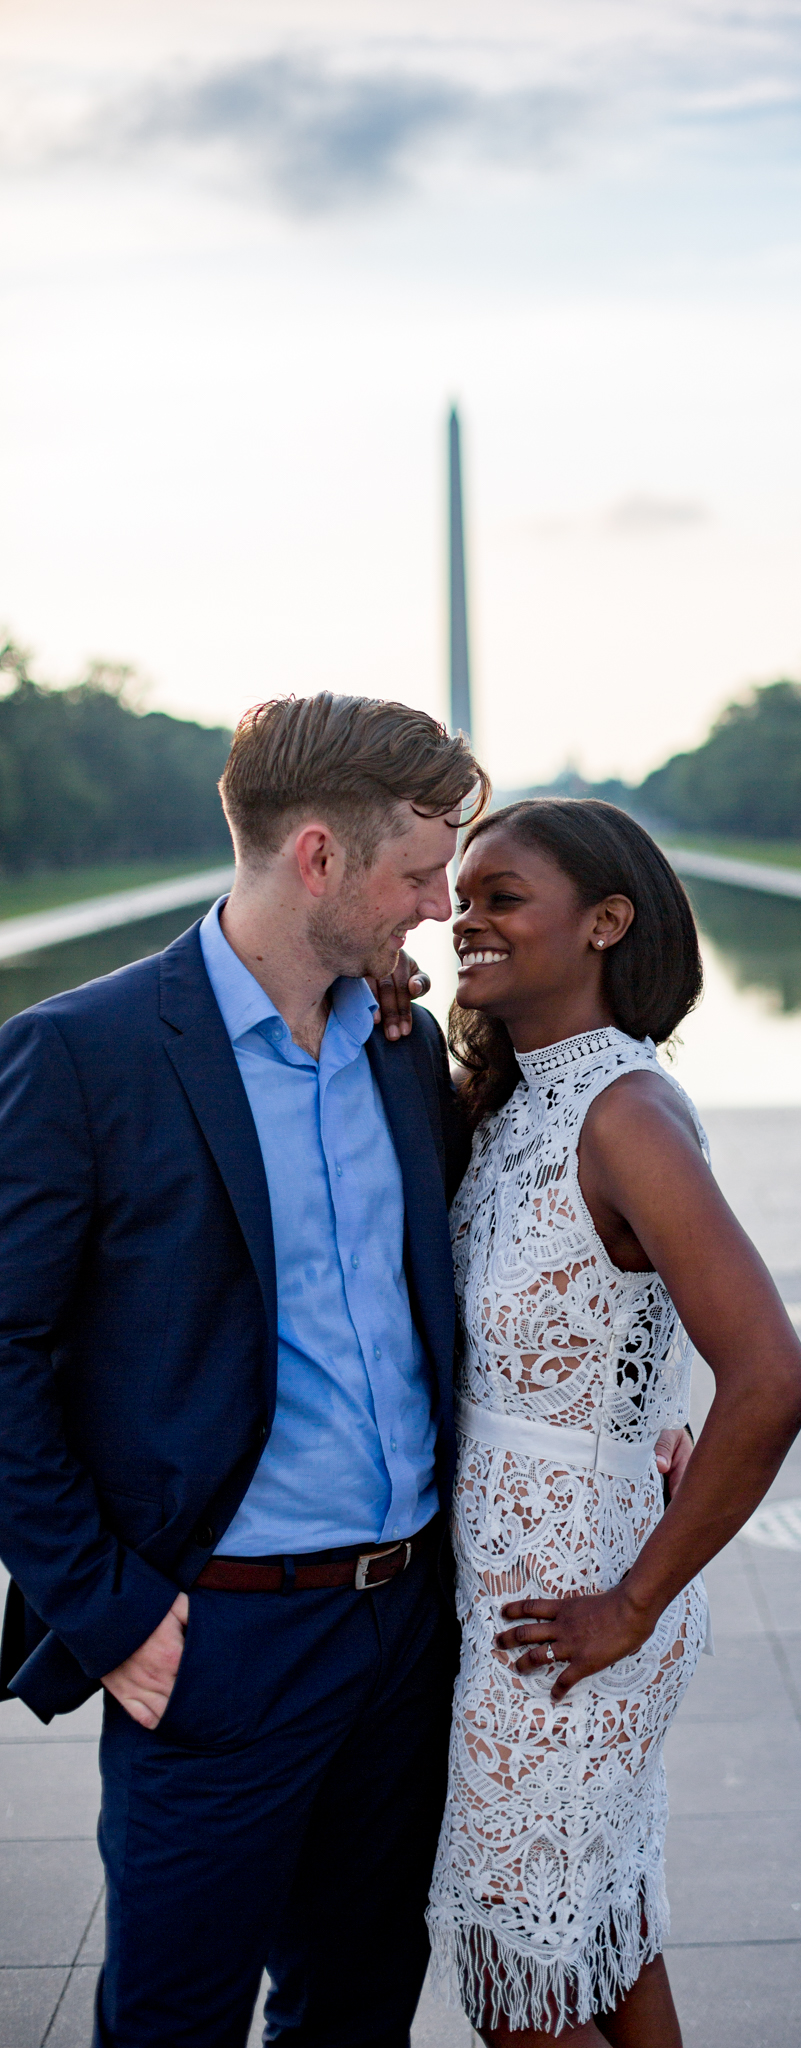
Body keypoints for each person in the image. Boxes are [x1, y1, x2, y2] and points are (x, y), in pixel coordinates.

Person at [0, 692, 486, 2048]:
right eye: (420, 870)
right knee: (174, 2025)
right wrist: (106, 1610)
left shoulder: (399, 1046)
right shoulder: (82, 1056)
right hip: (216, 1636)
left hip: (401, 1630)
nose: (442, 905)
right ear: (319, 857)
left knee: (354, 2012)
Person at [425, 798, 801, 2047]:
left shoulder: (625, 1113)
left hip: (571, 1613)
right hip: (511, 1590)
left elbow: (771, 1375)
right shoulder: (514, 1103)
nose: (465, 919)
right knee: (601, 1947)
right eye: (460, 894)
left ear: (605, 921)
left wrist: (633, 1601)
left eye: (501, 895)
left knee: (517, 1989)